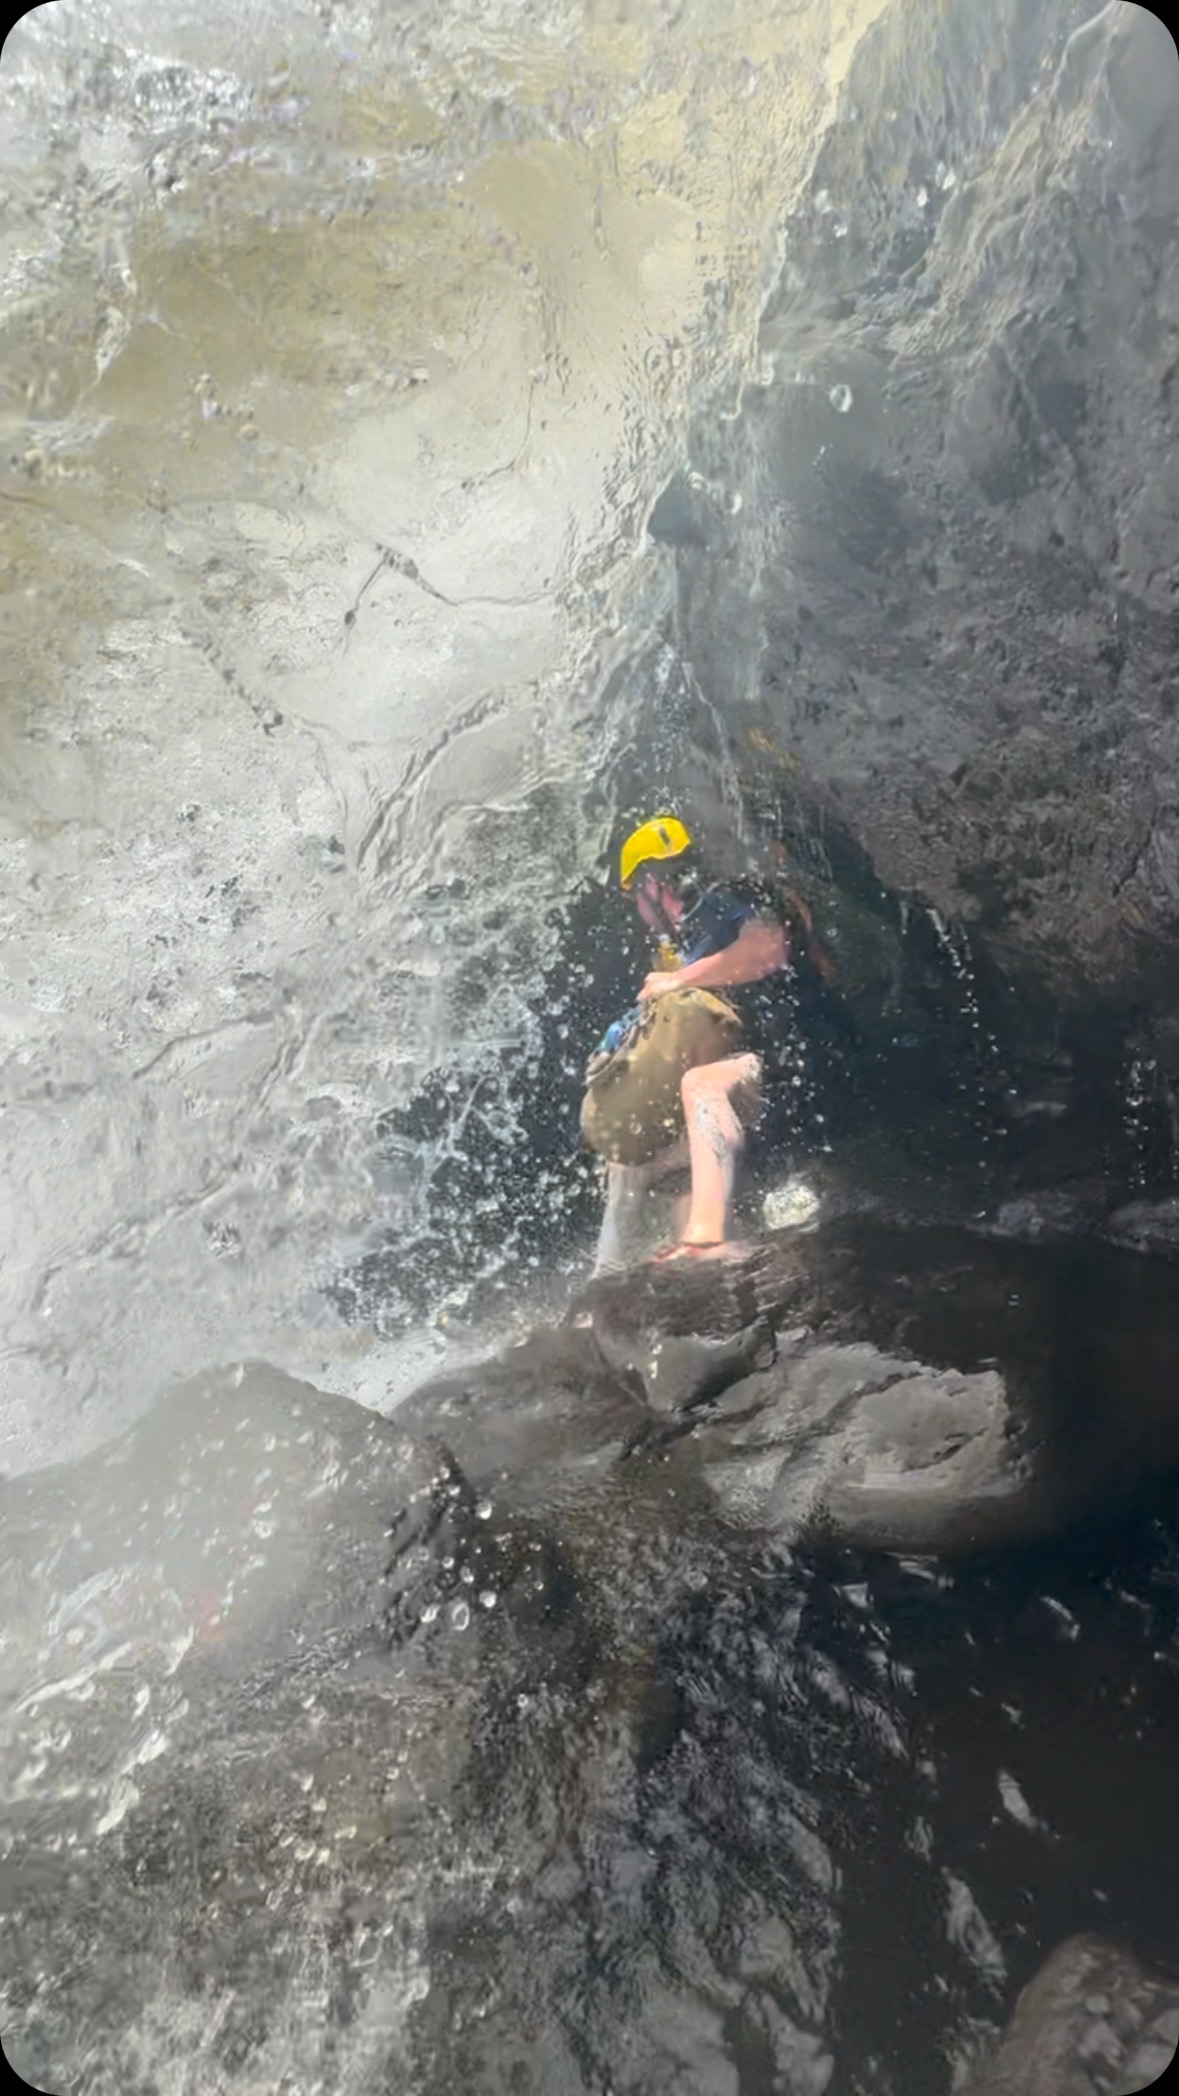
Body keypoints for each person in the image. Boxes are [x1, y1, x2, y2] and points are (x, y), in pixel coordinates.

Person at [590, 814, 819, 1269]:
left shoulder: (719, 904)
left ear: (653, 885)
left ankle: (706, 1239)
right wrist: (608, 1043)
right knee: (632, 1162)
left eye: (636, 894)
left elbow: (768, 948)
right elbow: (653, 1004)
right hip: (742, 1081)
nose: (637, 907)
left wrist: (676, 982)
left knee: (700, 1087)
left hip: (779, 1069)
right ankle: (608, 1284)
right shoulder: (685, 940)